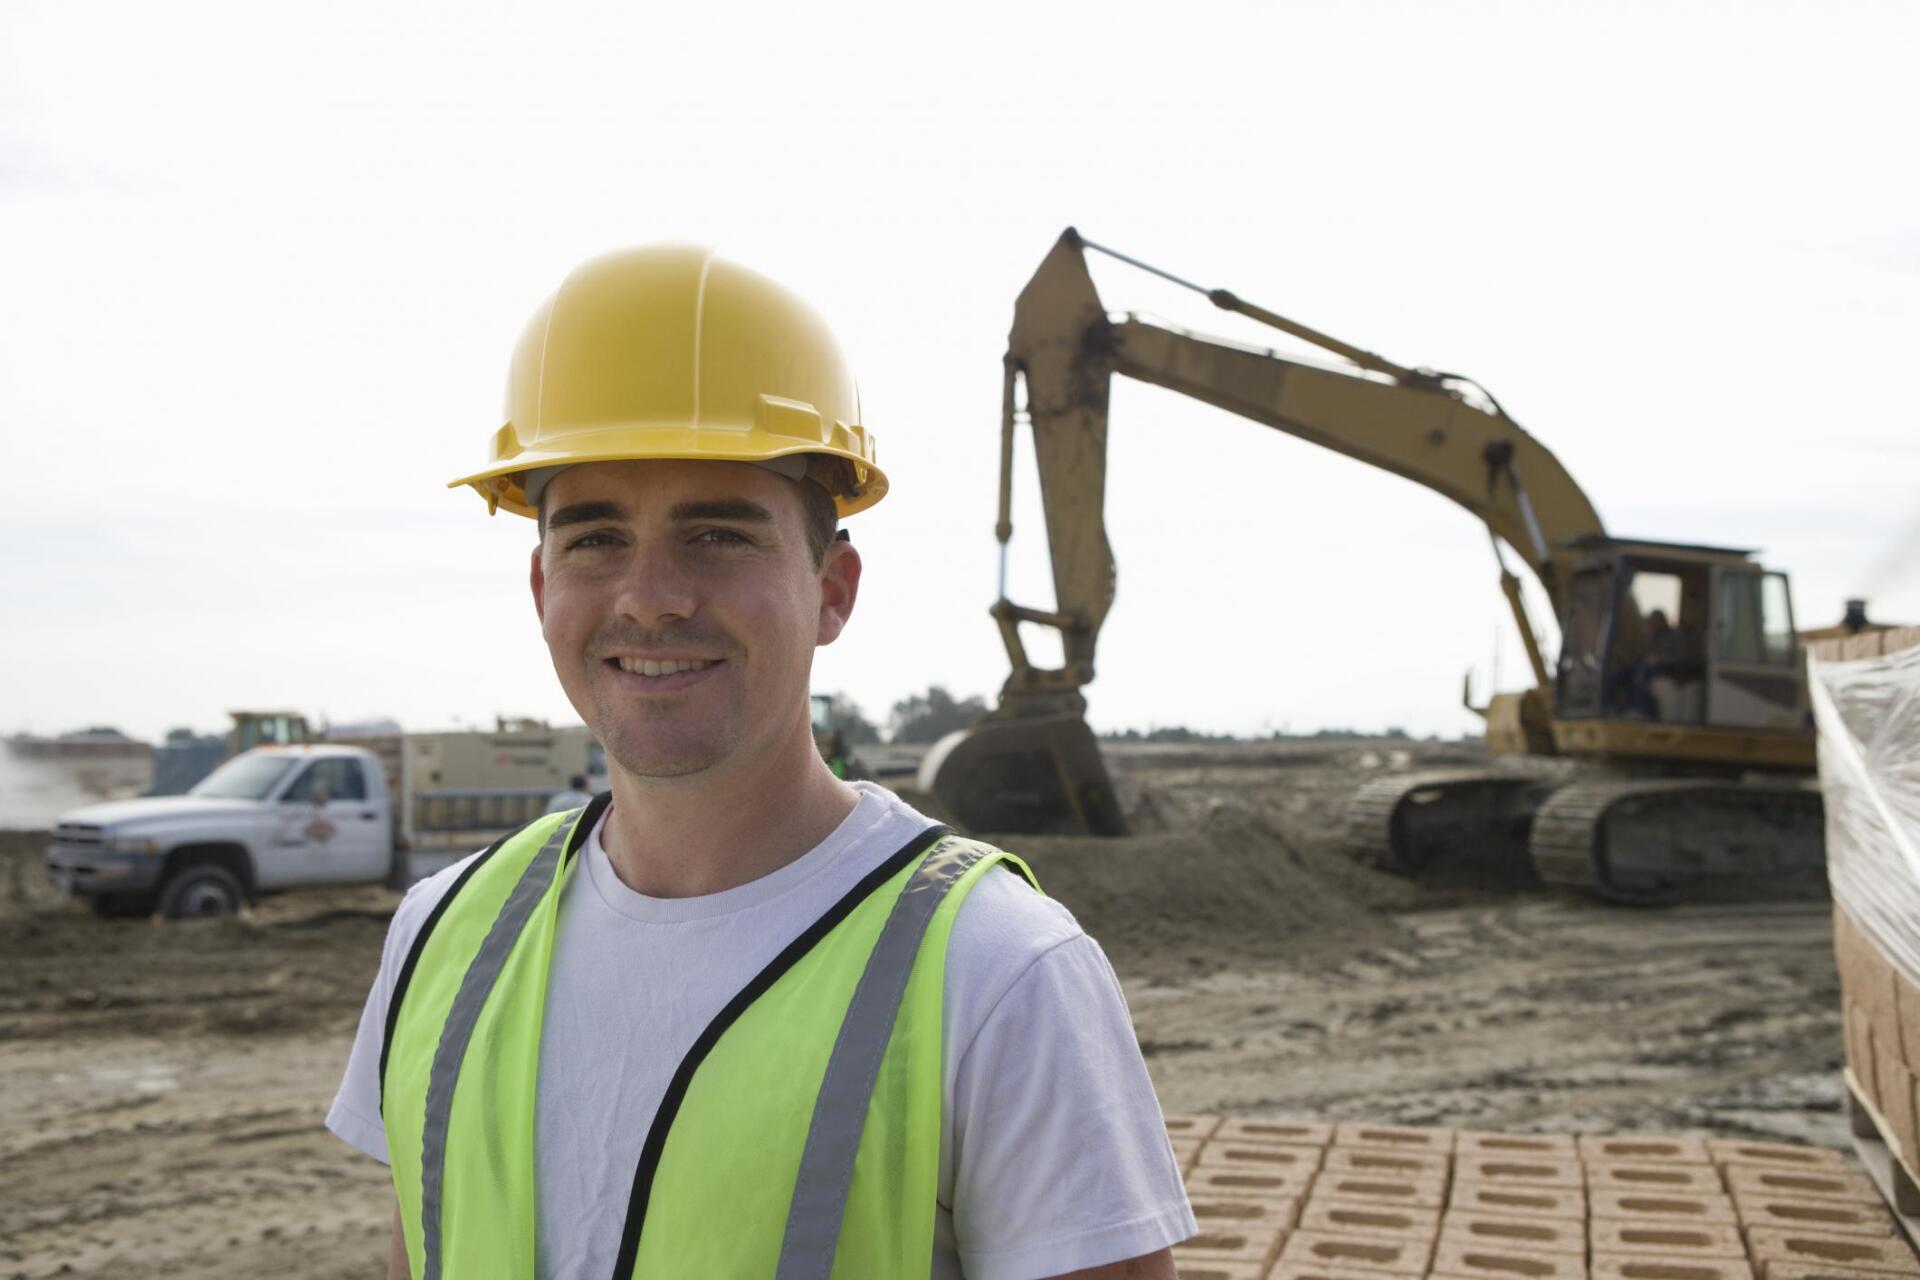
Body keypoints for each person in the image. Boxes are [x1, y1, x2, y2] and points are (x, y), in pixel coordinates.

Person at [325, 244, 1195, 1280]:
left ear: (833, 590)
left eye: (717, 536)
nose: (650, 598)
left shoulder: (999, 972)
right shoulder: (441, 936)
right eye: (595, 538)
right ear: (541, 585)